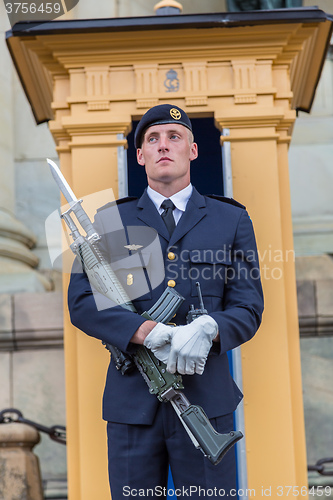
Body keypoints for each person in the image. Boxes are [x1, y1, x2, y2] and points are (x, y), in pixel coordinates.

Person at [68, 104, 264, 498]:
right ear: (139, 156)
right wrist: (144, 331)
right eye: (152, 140)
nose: (163, 146)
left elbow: (248, 306)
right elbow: (83, 301)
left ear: (192, 150)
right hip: (132, 402)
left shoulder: (231, 220)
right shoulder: (111, 220)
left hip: (205, 396)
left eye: (174, 137)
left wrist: (210, 328)